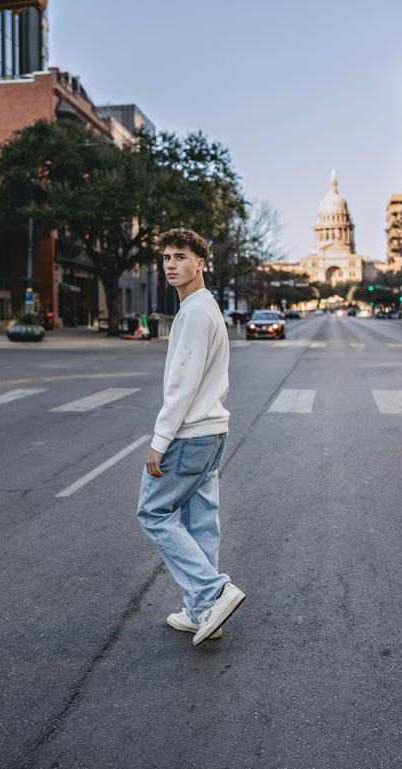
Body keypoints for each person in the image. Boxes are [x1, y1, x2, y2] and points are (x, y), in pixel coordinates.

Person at [137, 228, 245, 645]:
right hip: (211, 433)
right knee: (200, 521)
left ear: (201, 264)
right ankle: (204, 613)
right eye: (166, 257)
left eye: (180, 257)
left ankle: (213, 591)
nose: (170, 264)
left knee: (153, 513)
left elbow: (182, 384)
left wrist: (159, 441)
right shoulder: (205, 307)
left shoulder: (195, 313)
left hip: (190, 435)